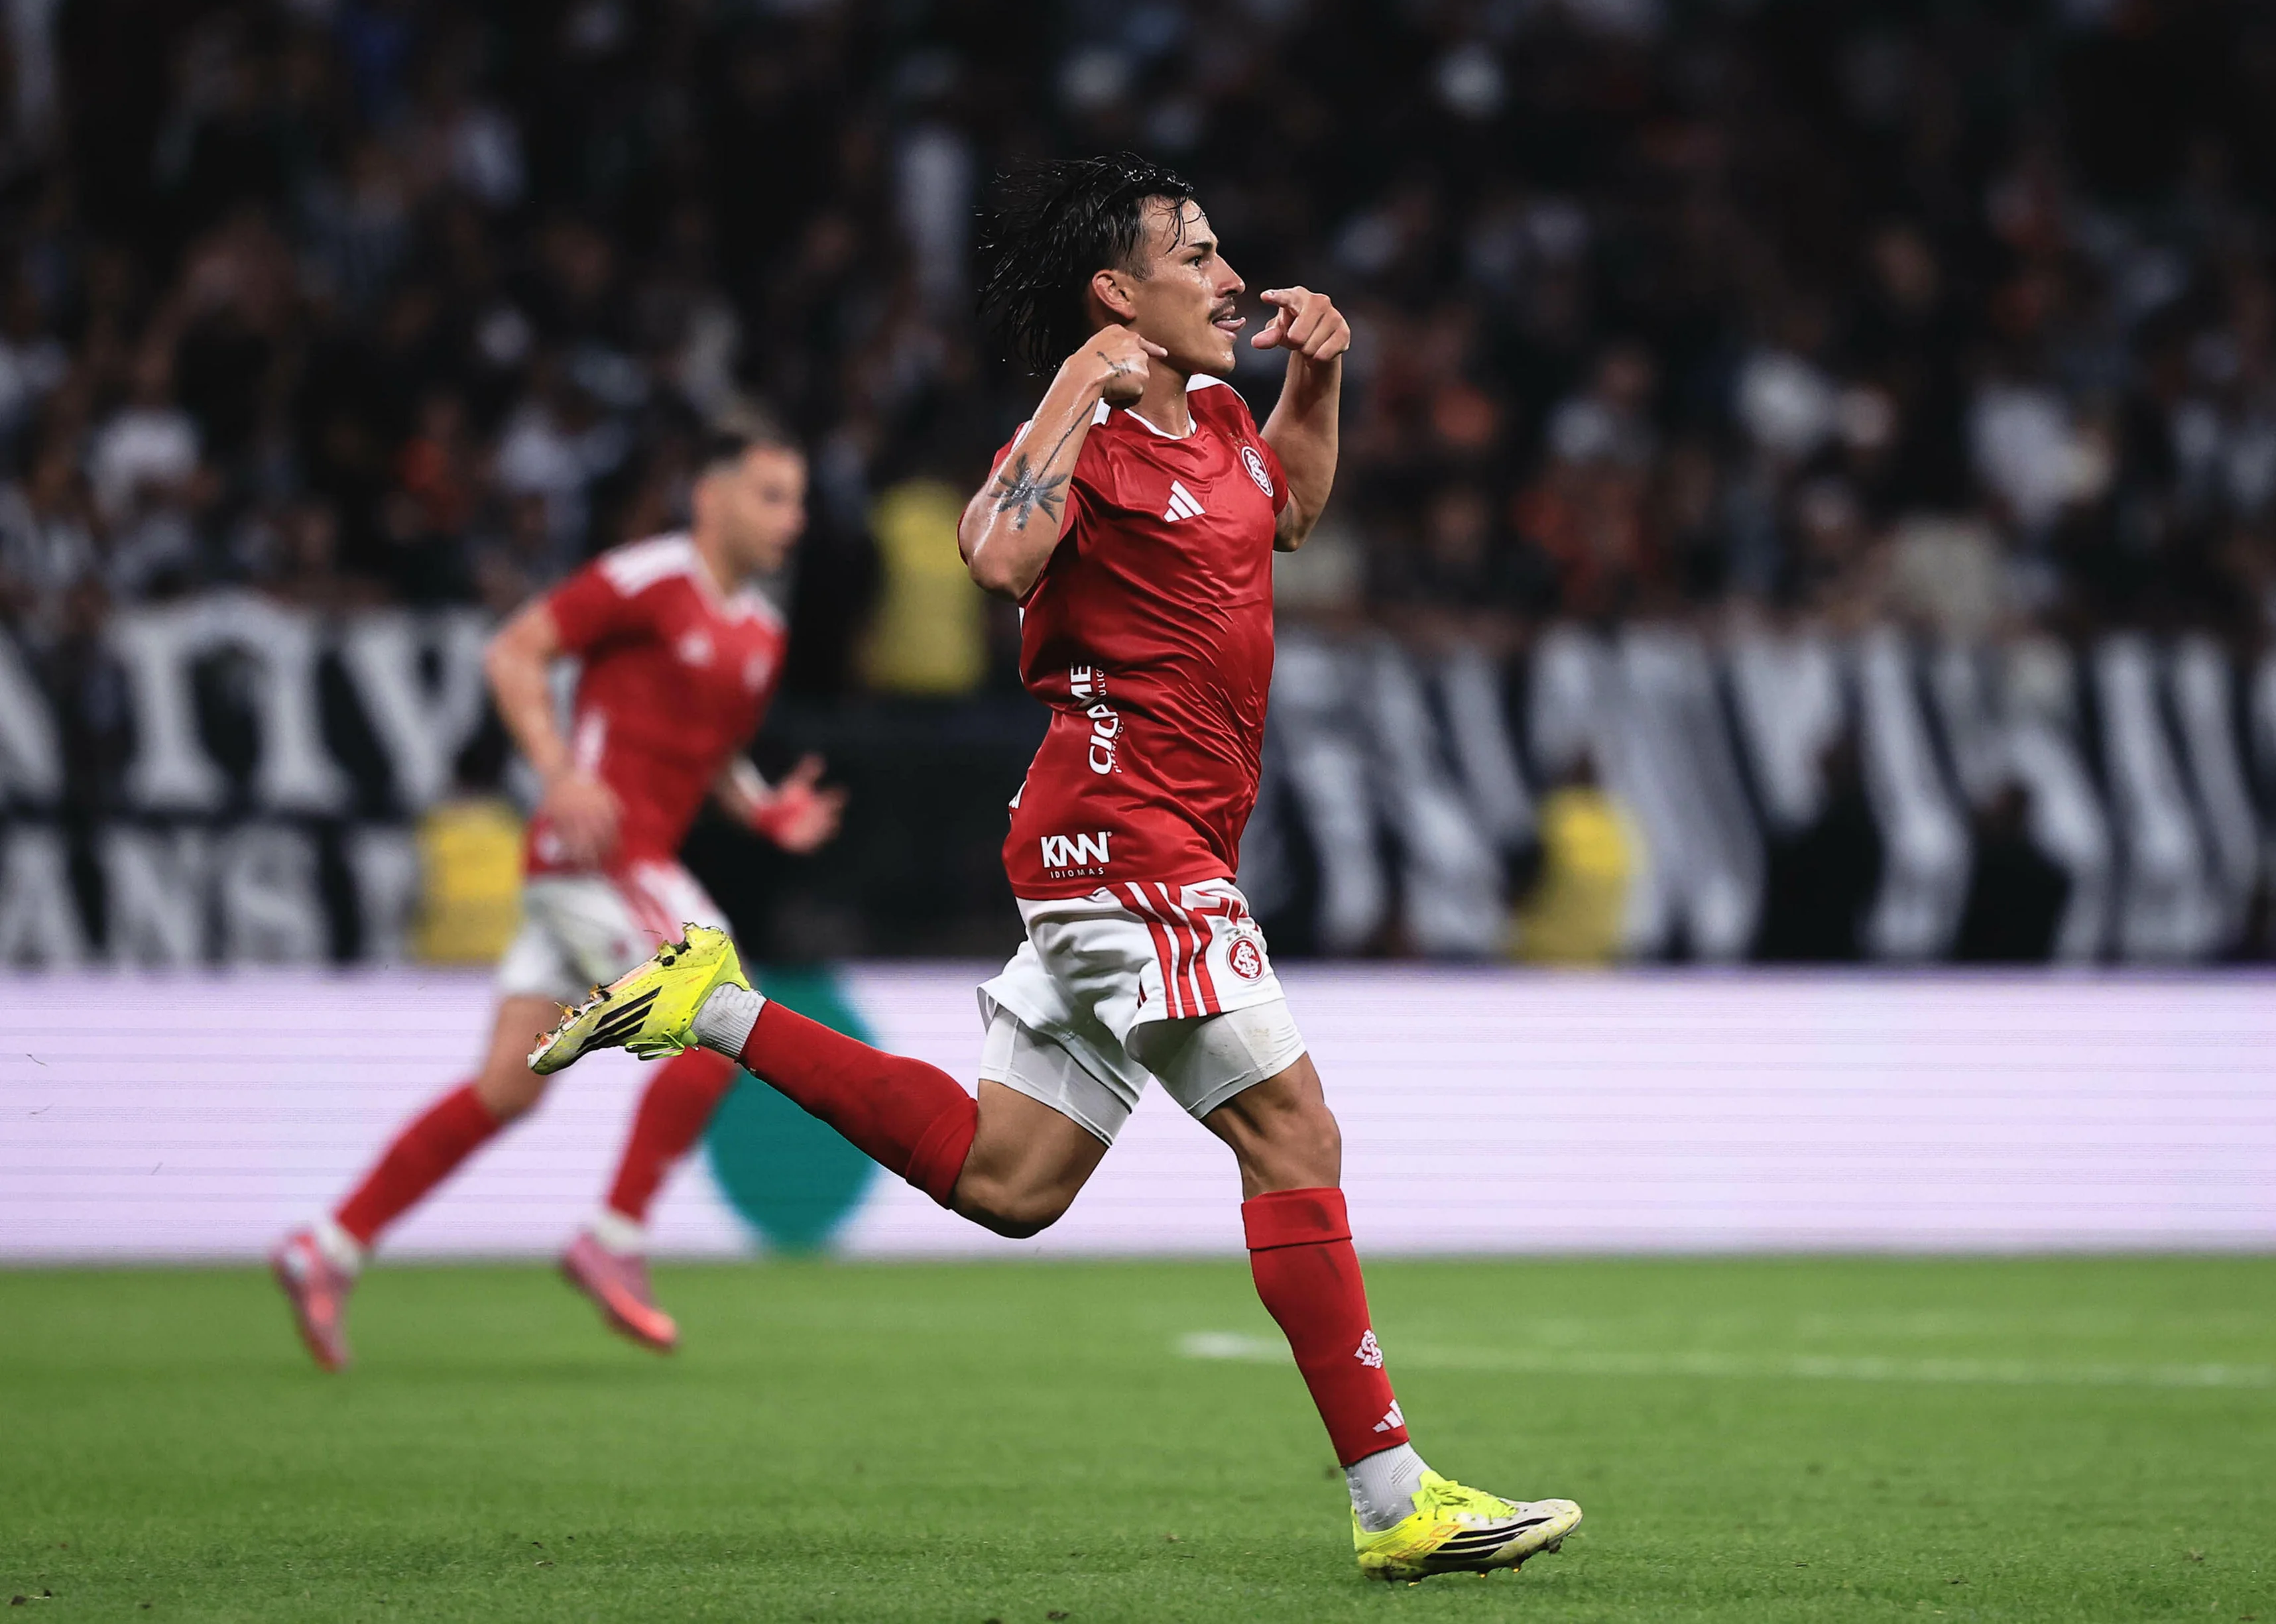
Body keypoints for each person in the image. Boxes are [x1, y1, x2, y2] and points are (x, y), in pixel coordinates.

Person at [528, 155, 1581, 1582]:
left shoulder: (1223, 417)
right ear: (1117, 292)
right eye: (1195, 254)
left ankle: (713, 1004)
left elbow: (1288, 511)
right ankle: (1397, 1499)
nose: (1230, 278)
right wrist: (1078, 383)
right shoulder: (1085, 435)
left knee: (1011, 1179)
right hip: (1124, 834)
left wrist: (1322, 377)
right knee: (1295, 1135)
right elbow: (994, 556)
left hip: (1147, 841)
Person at [271, 416, 844, 1370]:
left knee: (506, 1088)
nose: (793, 518)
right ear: (710, 498)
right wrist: (558, 772)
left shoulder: (761, 633)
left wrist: (764, 809)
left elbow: (712, 753)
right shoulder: (647, 576)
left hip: (598, 872)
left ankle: (327, 1246)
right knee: (723, 1007)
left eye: (800, 500)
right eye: (772, 496)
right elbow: (514, 651)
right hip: (599, 853)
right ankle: (614, 1236)